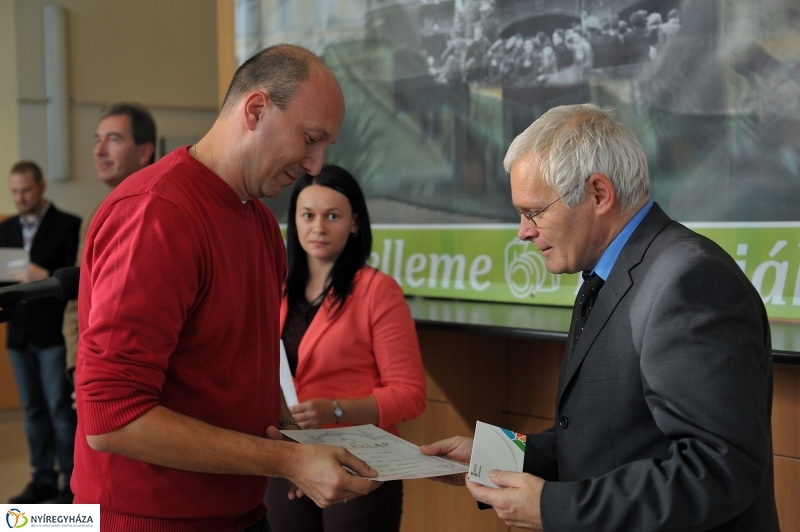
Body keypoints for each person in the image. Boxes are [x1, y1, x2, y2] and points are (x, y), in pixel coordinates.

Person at [421, 103, 779, 531]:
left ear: (598, 194)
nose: (523, 230)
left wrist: (556, 507)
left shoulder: (690, 282)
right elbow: (607, 436)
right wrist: (493, 459)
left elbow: (718, 469)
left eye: (533, 211)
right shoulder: (607, 271)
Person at [72, 44, 379, 531]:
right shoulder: (157, 214)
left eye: (326, 147)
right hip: (146, 518)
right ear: (256, 110)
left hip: (238, 511)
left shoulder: (257, 220)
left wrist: (293, 440)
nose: (316, 164)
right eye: (310, 139)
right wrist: (285, 463)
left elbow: (245, 363)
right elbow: (112, 419)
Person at [265, 166, 426, 532]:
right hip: (286, 454)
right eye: (308, 215)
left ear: (354, 223)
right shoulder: (276, 287)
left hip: (359, 460)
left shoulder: (377, 290)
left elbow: (411, 395)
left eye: (332, 216)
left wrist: (334, 410)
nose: (318, 227)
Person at [0, 161, 81, 504]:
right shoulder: (5, 231)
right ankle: (42, 480)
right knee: (32, 412)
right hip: (18, 335)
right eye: (15, 192)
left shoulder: (69, 225)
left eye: (26, 190)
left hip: (52, 335)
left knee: (60, 411)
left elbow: (76, 281)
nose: (20, 198)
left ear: (42, 187)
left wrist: (42, 274)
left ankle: (69, 483)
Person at [63, 102, 157, 384]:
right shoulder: (94, 216)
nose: (99, 150)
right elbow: (77, 300)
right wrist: (77, 369)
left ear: (144, 151)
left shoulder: (163, 210)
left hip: (149, 377)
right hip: (96, 373)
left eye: (113, 139)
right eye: (97, 140)